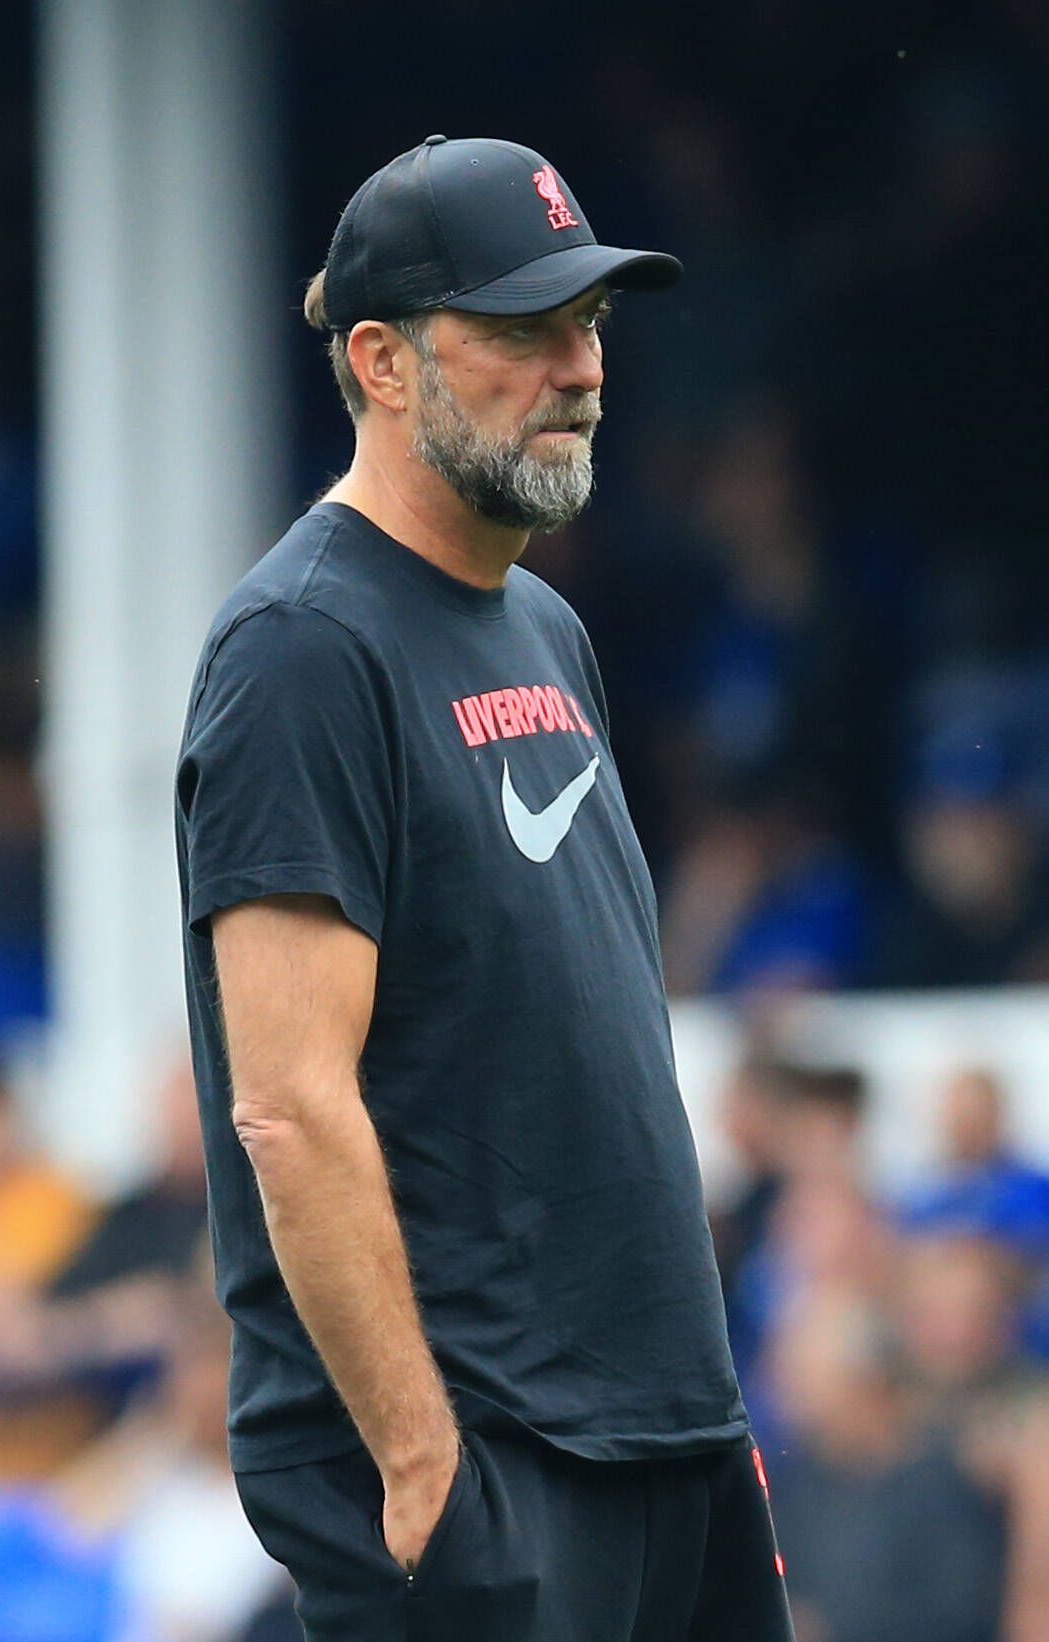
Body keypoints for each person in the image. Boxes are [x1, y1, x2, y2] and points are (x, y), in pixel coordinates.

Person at [174, 138, 792, 1639]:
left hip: (657, 1439)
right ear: (380, 362)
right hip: (484, 1458)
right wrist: (419, 1456)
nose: (577, 368)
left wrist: (701, 1413)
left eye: (587, 326)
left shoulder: (541, 625)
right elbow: (288, 1103)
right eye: (522, 332)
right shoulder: (298, 649)